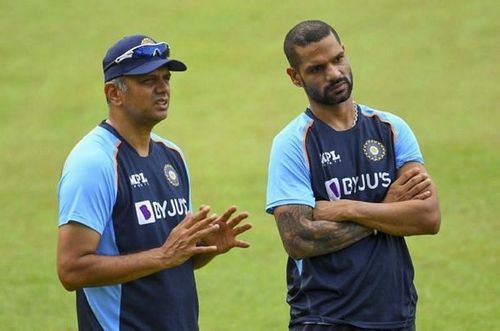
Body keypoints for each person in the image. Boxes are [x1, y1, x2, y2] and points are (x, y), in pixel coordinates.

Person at [57, 34, 252, 331]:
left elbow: (172, 257)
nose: (163, 89)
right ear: (114, 93)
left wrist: (202, 248)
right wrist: (163, 255)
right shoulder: (93, 162)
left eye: (166, 78)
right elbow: (71, 269)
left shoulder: (171, 155)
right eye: (148, 81)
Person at [266, 20, 441, 331]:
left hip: (396, 314)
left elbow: (427, 218)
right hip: (324, 317)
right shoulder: (293, 143)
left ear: (345, 53)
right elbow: (299, 238)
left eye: (337, 60)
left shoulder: (391, 129)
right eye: (316, 69)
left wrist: (348, 208)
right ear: (295, 77)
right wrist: (388, 209)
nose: (334, 74)